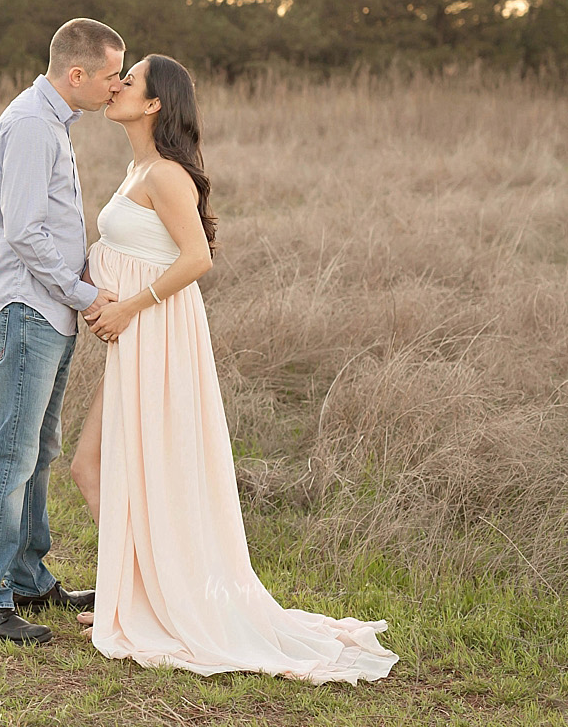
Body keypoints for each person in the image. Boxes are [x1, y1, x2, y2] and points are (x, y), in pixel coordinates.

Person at [70, 54, 398, 682]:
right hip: (135, 336)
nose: (115, 88)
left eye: (128, 82)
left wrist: (128, 307)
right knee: (96, 466)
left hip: (156, 333)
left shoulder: (166, 175)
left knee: (118, 466)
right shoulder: (138, 166)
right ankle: (136, 596)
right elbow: (130, 246)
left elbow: (197, 259)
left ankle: (159, 603)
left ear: (156, 103)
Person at [0, 18, 126, 645]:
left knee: (40, 451)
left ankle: (27, 577)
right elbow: (25, 231)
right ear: (76, 74)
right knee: (12, 451)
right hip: (29, 310)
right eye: (112, 75)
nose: (118, 86)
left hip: (47, 311)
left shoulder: (51, 122)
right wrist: (86, 293)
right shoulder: (32, 125)